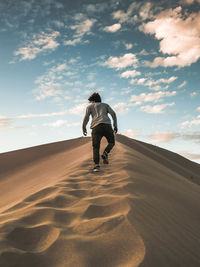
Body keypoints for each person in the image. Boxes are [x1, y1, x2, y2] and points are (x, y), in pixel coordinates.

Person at [82, 92, 118, 172]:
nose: (91, 102)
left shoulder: (90, 106)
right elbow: (113, 114)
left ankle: (96, 166)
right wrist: (115, 125)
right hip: (107, 125)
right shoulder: (105, 105)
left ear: (93, 101)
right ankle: (105, 153)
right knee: (111, 142)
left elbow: (87, 117)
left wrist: (83, 127)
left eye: (91, 101)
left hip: (96, 127)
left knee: (96, 146)